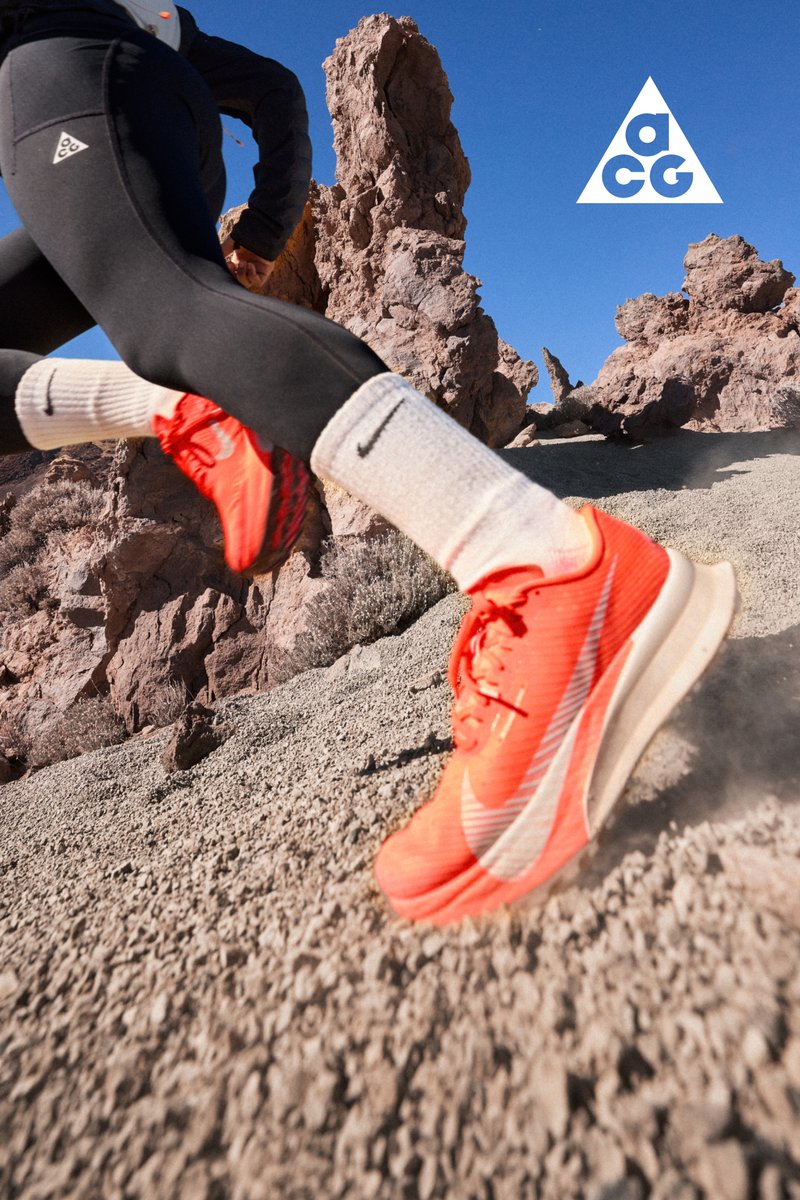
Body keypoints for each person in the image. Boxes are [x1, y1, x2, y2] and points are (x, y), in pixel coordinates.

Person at [0, 0, 736, 924]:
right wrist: (267, 226)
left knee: (165, 309)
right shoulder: (154, 24)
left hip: (53, 77)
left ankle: (549, 568)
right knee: (164, 307)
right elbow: (270, 87)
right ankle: (192, 409)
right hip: (129, 96)